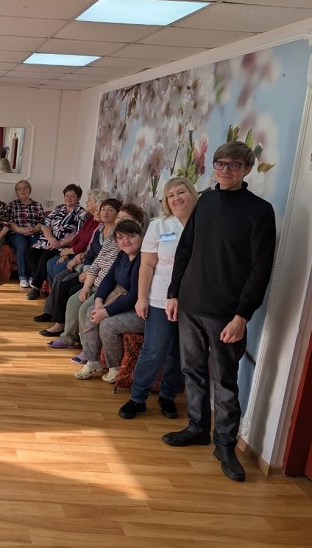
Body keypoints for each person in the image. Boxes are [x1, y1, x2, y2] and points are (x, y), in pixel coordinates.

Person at [164, 142, 276, 483]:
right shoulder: (206, 201)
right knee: (192, 370)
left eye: (233, 165)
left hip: (226, 312)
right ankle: (197, 428)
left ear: (247, 169)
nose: (225, 170)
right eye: (220, 163)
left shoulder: (260, 211)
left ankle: (225, 445)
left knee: (224, 380)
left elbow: (260, 268)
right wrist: (173, 293)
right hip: (190, 304)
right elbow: (186, 249)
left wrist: (243, 315)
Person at [118, 178, 198, 421]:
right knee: (154, 349)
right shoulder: (159, 226)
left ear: (192, 194)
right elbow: (147, 265)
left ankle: (168, 396)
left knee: (179, 352)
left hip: (194, 302)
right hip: (160, 299)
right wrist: (141, 298)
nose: (176, 198)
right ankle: (138, 397)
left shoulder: (206, 224)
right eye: (170, 195)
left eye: (181, 192)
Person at [48, 203, 145, 351]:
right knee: (73, 300)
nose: (119, 221)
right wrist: (87, 286)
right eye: (119, 217)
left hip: (110, 289)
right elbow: (97, 262)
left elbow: (114, 278)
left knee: (85, 309)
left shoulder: (128, 246)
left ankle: (85, 347)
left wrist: (97, 293)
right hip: (97, 283)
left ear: (136, 224)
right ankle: (67, 337)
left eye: (124, 218)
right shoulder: (112, 239)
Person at [73, 219, 145, 383]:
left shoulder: (143, 259)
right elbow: (109, 279)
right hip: (121, 299)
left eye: (131, 236)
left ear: (140, 237)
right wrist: (99, 301)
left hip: (139, 309)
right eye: (120, 238)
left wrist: (105, 312)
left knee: (107, 324)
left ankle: (115, 368)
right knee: (91, 311)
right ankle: (93, 362)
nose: (126, 241)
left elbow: (134, 295)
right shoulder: (122, 254)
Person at [36, 197, 120, 333]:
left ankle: (64, 326)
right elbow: (90, 251)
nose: (105, 213)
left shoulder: (117, 235)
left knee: (66, 285)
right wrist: (85, 266)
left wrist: (85, 269)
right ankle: (55, 317)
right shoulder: (99, 229)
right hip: (88, 266)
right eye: (103, 209)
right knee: (60, 279)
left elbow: (105, 260)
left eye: (110, 210)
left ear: (117, 214)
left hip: (98, 273)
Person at [25, 184, 88, 301]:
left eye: (72, 196)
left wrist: (60, 243)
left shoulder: (81, 213)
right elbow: (45, 224)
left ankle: (36, 287)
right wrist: (51, 239)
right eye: (67, 195)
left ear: (78, 198)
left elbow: (79, 234)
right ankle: (42, 278)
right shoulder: (59, 208)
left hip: (64, 245)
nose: (69, 198)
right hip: (48, 241)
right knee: (30, 253)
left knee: (46, 255)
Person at [8, 180, 44, 288]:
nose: (23, 190)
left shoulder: (37, 205)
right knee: (22, 245)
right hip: (16, 232)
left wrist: (34, 229)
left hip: (34, 232)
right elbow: (9, 222)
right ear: (16, 192)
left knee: (36, 246)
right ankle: (23, 276)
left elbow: (43, 222)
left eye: (25, 188)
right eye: (19, 189)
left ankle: (33, 275)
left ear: (30, 190)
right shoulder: (12, 205)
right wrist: (20, 230)